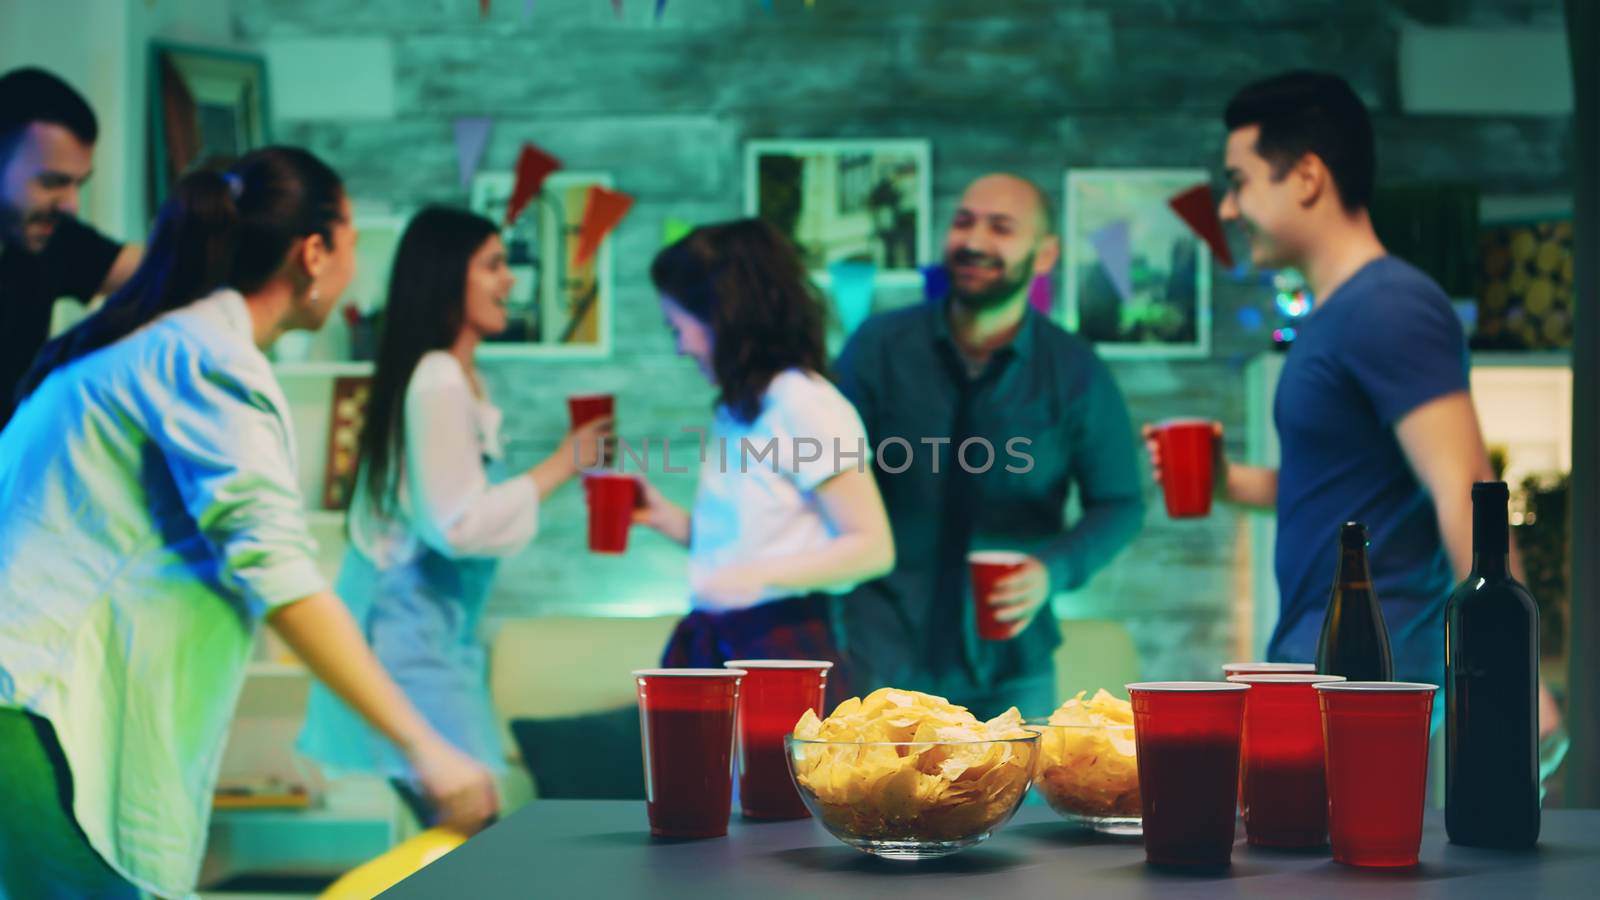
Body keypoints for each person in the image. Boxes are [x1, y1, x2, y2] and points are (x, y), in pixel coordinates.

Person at [0, 149, 496, 900]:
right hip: (36, 709)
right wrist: (427, 749)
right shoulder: (206, 362)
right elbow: (281, 576)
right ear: (314, 253)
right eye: (354, 240)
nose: (357, 265)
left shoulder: (153, 346)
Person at [1145, 70, 1506, 698]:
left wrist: (1509, 676)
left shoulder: (1390, 304)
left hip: (1367, 678)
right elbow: (1339, 489)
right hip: (1320, 662)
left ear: (1308, 177)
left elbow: (1464, 486)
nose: (1227, 209)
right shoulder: (1334, 315)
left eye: (1239, 183)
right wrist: (1228, 481)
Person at [297, 207, 613, 823]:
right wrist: (560, 465)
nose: (509, 281)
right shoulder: (438, 379)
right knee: (473, 815)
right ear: (448, 277)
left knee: (470, 824)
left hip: (435, 640)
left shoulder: (459, 379)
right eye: (493, 265)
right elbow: (456, 525)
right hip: (407, 641)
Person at [833, 174, 1145, 719]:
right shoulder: (878, 347)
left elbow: (1120, 502)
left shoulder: (1075, 371)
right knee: (867, 802)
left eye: (1000, 228)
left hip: (1010, 669)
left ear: (1045, 254)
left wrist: (1053, 570)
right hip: (876, 650)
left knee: (1016, 806)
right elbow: (821, 468)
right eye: (963, 222)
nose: (974, 241)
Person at [632, 219, 895, 705]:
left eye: (679, 328)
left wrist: (758, 576)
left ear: (724, 315)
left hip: (780, 651)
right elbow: (757, 540)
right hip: (726, 642)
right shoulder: (741, 407)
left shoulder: (806, 402)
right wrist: (671, 522)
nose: (680, 347)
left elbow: (873, 547)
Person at [0, 67, 141, 426]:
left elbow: (165, 265)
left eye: (79, 184)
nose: (71, 205)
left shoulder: (52, 237)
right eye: (52, 182)